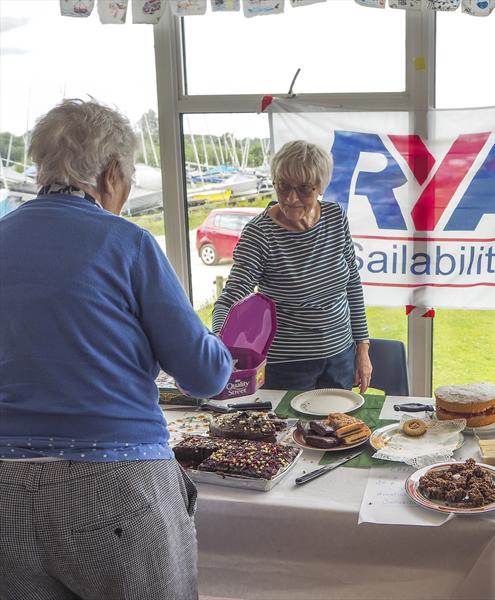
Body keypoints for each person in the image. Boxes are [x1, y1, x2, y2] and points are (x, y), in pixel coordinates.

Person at [0, 100, 232, 599]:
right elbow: (205, 376)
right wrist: (221, 344)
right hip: (115, 481)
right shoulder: (126, 243)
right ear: (110, 174)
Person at [213, 140, 372, 392]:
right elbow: (230, 299)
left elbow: (351, 283)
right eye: (283, 186)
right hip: (287, 365)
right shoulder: (260, 234)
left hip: (340, 355)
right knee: (288, 430)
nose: (290, 198)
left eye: (304, 189)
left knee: (336, 428)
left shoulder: (335, 217)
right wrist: (220, 345)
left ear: (320, 187)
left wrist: (362, 349)